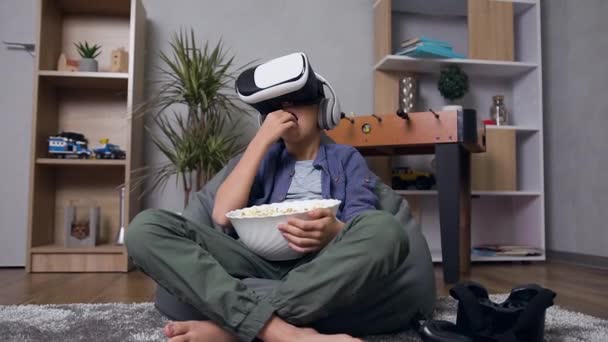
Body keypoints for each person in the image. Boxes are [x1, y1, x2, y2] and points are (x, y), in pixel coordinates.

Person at [126, 54, 410, 342]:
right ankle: (283, 333)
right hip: (254, 258)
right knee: (145, 227)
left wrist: (334, 230)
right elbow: (221, 216)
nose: (286, 109)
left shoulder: (346, 158)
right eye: (275, 105)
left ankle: (232, 329)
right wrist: (261, 141)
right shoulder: (262, 157)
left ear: (322, 109)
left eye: (297, 99)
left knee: (386, 230)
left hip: (323, 265)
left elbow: (363, 222)